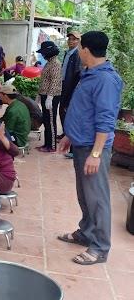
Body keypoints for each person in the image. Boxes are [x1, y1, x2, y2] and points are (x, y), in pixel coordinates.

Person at [57, 31, 123, 266]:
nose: (77, 51)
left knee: (97, 199)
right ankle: (86, 233)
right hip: (81, 144)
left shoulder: (106, 80)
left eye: (79, 47)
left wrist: (96, 154)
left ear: (86, 50)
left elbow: (105, 120)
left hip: (93, 149)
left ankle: (100, 247)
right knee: (85, 195)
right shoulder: (90, 74)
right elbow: (84, 111)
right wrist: (70, 135)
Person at [37, 41, 62, 152]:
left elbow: (55, 81)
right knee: (46, 120)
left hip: (51, 97)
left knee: (51, 121)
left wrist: (50, 96)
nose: (42, 55)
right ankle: (46, 144)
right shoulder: (49, 63)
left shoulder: (55, 63)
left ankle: (51, 146)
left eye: (44, 52)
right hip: (45, 95)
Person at [59, 30, 82, 142]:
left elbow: (77, 74)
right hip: (63, 84)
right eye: (69, 39)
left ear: (79, 41)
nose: (71, 41)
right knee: (62, 110)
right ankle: (65, 133)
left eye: (74, 39)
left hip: (70, 87)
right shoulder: (68, 53)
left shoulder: (77, 54)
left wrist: (72, 91)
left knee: (65, 110)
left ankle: (68, 135)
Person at [0, 80, 31, 147]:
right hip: (23, 136)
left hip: (18, 139)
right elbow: (3, 119)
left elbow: (8, 130)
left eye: (0, 95)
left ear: (5, 96)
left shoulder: (13, 111)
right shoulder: (19, 104)